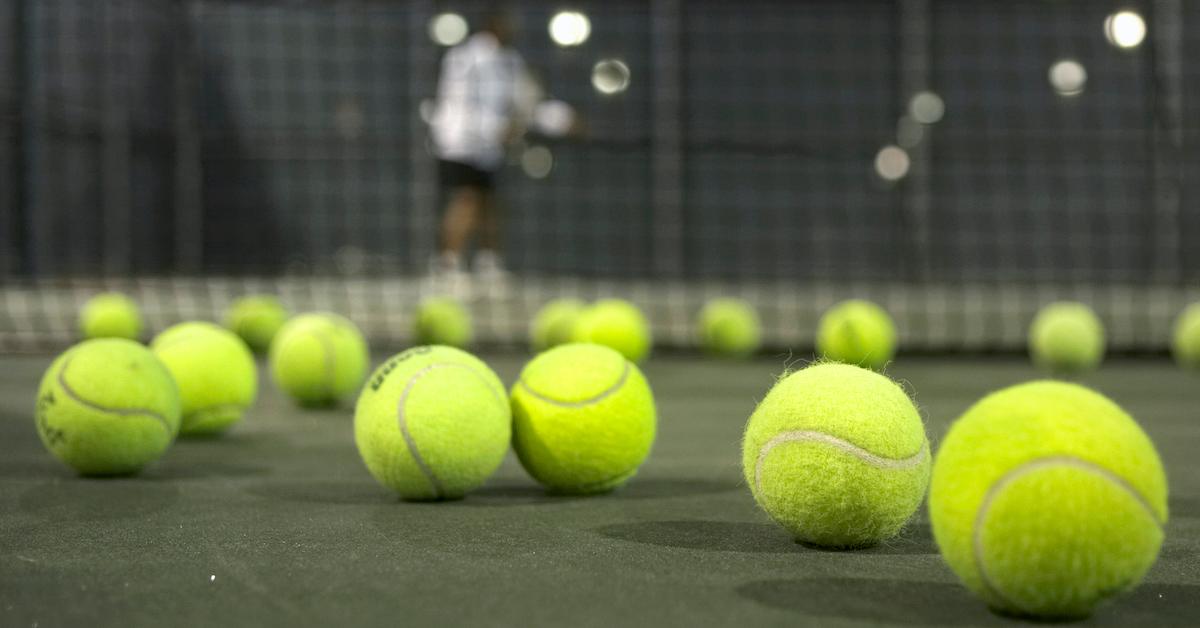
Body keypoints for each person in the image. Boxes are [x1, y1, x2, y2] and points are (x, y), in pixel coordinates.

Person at [428, 11, 529, 295]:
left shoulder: (510, 61)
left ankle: (488, 263)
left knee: (489, 202)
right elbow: (461, 103)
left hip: (488, 149)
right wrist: (495, 129)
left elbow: (521, 102)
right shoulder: (465, 58)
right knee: (468, 199)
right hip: (461, 143)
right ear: (494, 24)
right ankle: (448, 262)